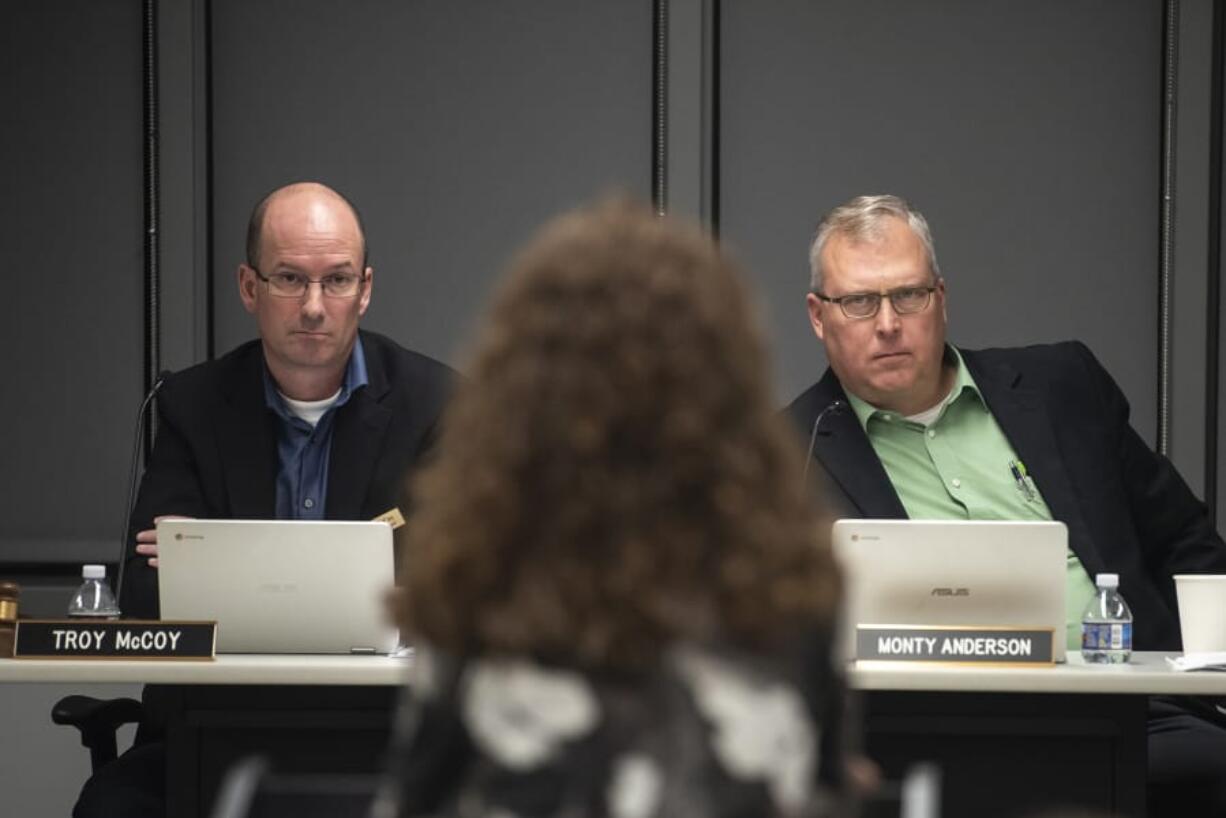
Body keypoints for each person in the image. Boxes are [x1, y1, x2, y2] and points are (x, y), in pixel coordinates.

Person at [372, 200, 853, 818]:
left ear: (527, 386)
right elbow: (825, 790)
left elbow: (414, 798)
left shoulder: (479, 575)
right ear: (724, 380)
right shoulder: (796, 582)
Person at [787, 193, 1226, 816]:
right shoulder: (786, 456)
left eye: (907, 295)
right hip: (924, 735)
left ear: (940, 297)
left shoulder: (1061, 389)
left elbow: (1187, 544)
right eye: (858, 302)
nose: (887, 322)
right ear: (817, 316)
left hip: (1133, 717)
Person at [74, 181, 454, 818]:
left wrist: (213, 564)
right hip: (212, 726)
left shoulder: (434, 405)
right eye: (288, 279)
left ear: (365, 288)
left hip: (375, 734)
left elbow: (451, 588)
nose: (313, 306)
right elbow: (144, 589)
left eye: (336, 281)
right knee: (111, 808)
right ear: (249, 287)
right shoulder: (192, 405)